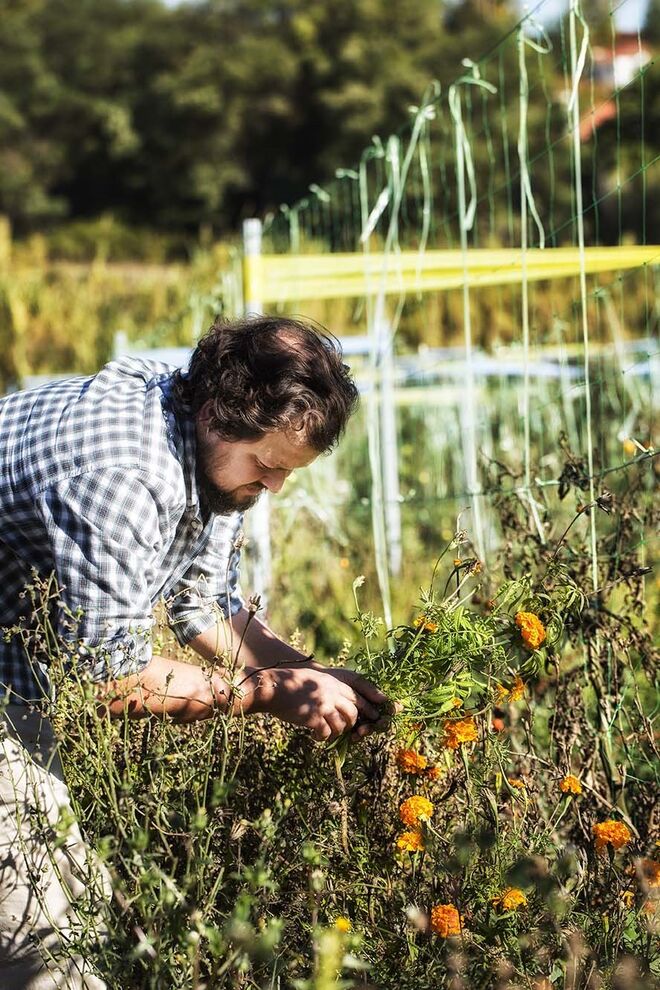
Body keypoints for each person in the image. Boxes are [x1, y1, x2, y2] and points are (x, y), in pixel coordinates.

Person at [0, 315, 392, 989]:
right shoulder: (120, 479)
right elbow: (110, 682)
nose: (274, 488)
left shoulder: (207, 449)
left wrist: (305, 673)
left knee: (78, 908)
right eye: (268, 467)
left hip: (17, 670)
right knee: (43, 946)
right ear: (215, 413)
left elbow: (202, 607)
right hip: (20, 680)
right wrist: (270, 696)